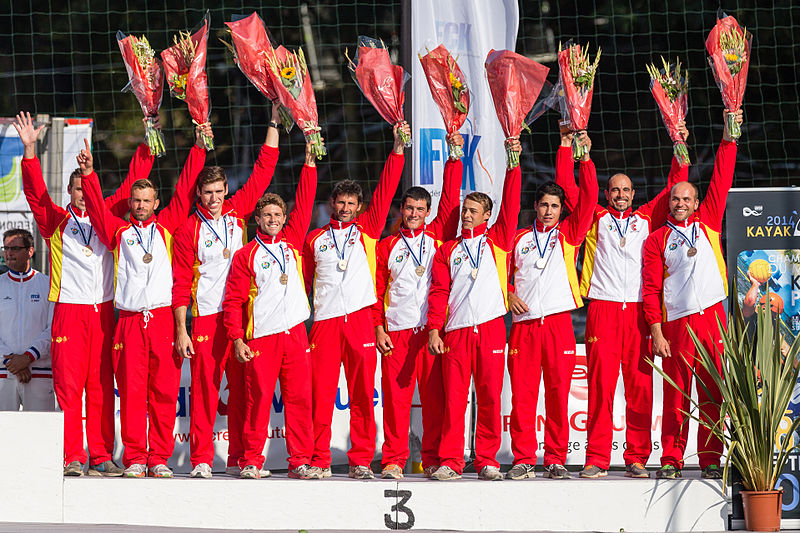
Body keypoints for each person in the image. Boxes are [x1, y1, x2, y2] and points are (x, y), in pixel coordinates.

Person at [15, 111, 154, 477]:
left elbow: (136, 180)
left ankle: (102, 454)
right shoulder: (57, 222)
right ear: (70, 192)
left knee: (101, 386)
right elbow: (36, 196)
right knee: (70, 386)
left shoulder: (111, 216)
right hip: (70, 311)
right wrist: (30, 152)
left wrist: (150, 131)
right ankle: (73, 455)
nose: (81, 194)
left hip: (104, 311)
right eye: (76, 189)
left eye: (86, 187)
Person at [554, 123, 689, 479]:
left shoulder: (647, 219)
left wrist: (679, 143)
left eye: (626, 190)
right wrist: (569, 148)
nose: (620, 195)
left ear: (633, 193)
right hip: (603, 308)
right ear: (607, 192)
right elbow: (570, 190)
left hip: (641, 315)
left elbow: (675, 187)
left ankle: (637, 457)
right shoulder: (595, 217)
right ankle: (597, 458)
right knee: (600, 386)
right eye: (614, 190)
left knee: (640, 386)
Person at [81, 124, 208, 478]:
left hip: (164, 320)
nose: (139, 205)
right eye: (135, 200)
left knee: (165, 393)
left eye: (146, 200)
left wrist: (198, 148)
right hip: (130, 321)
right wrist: (90, 175)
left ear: (155, 203)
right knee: (133, 393)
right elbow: (95, 211)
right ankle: (137, 456)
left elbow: (185, 190)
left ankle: (159, 458)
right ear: (130, 203)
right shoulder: (117, 233)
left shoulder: (168, 225)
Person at [172, 110, 282, 479]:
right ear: (199, 194)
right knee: (204, 390)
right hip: (205, 317)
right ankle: (202, 458)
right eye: (208, 193)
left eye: (220, 191)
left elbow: (264, 169)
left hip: (243, 316)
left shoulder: (238, 213)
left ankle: (240, 458)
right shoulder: (188, 229)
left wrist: (274, 123)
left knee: (243, 389)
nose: (215, 198)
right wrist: (182, 329)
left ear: (226, 192)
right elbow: (180, 282)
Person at [304, 122, 410, 479]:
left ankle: (361, 460)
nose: (346, 207)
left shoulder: (368, 230)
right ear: (332, 203)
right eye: (340, 202)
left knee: (364, 394)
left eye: (352, 203)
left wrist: (397, 149)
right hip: (326, 322)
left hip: (362, 320)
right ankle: (318, 459)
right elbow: (303, 281)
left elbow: (386, 189)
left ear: (359, 206)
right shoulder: (314, 239)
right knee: (320, 394)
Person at [642, 109, 742, 480]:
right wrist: (656, 330)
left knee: (713, 394)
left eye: (686, 199)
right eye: (675, 200)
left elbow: (721, 179)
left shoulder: (710, 223)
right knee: (677, 396)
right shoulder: (657, 240)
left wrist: (730, 136)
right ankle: (671, 458)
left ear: (697, 203)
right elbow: (651, 289)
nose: (680, 203)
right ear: (669, 204)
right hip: (678, 324)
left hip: (713, 320)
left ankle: (710, 459)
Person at [426, 139, 522, 481]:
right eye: (464, 209)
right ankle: (450, 460)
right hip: (457, 330)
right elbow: (438, 292)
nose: (466, 214)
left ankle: (486, 459)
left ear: (486, 216)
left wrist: (514, 163)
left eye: (473, 211)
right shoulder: (447, 250)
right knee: (454, 398)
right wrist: (435, 329)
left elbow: (511, 205)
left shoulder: (498, 241)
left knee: (490, 396)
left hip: (492, 327)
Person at [223, 140, 318, 480]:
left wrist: (309, 165)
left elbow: (305, 203)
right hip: (261, 336)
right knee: (257, 401)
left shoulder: (292, 243)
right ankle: (251, 460)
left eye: (278, 215)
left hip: (294, 332)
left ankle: (300, 461)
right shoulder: (245, 255)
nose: (274, 219)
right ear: (258, 219)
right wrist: (237, 338)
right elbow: (233, 301)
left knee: (298, 401)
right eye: (267, 215)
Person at [504, 132, 597, 480]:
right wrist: (508, 292)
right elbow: (500, 273)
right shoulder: (517, 238)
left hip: (558, 322)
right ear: (536, 206)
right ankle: (524, 457)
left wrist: (579, 155)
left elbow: (588, 198)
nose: (548, 211)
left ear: (562, 210)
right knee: (523, 395)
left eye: (555, 206)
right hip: (525, 326)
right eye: (544, 204)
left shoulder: (571, 234)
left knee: (558, 393)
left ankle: (555, 458)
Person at [373, 133, 463, 479]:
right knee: (395, 401)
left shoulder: (438, 237)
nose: (413, 214)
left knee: (435, 400)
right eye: (408, 208)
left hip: (430, 332)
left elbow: (452, 197)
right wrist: (379, 328)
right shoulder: (385, 246)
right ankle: (394, 459)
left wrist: (455, 154)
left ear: (428, 213)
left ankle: (435, 458)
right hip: (396, 331)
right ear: (402, 209)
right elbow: (377, 291)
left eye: (419, 210)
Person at [0, 229, 55, 411]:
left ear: (30, 251)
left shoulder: (48, 285)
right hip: (4, 372)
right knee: (4, 435)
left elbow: (53, 328)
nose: (9, 253)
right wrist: (11, 362)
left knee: (42, 435)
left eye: (15, 248)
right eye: (6, 248)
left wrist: (29, 357)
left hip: (39, 373)